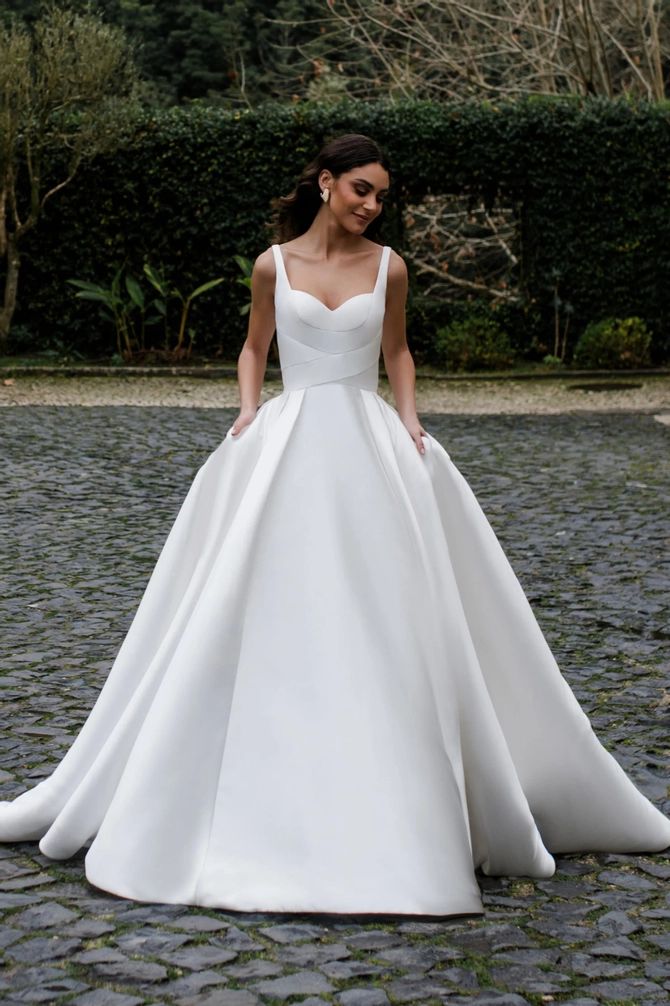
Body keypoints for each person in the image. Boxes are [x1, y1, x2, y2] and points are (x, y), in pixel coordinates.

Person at [0, 134, 668, 918]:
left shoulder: (390, 268)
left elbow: (399, 353)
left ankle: (398, 794)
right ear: (325, 184)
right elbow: (254, 349)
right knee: (252, 603)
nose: (371, 206)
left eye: (381, 196)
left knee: (387, 611)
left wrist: (412, 423)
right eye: (361, 189)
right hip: (286, 441)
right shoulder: (271, 264)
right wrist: (249, 411)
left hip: (366, 441)